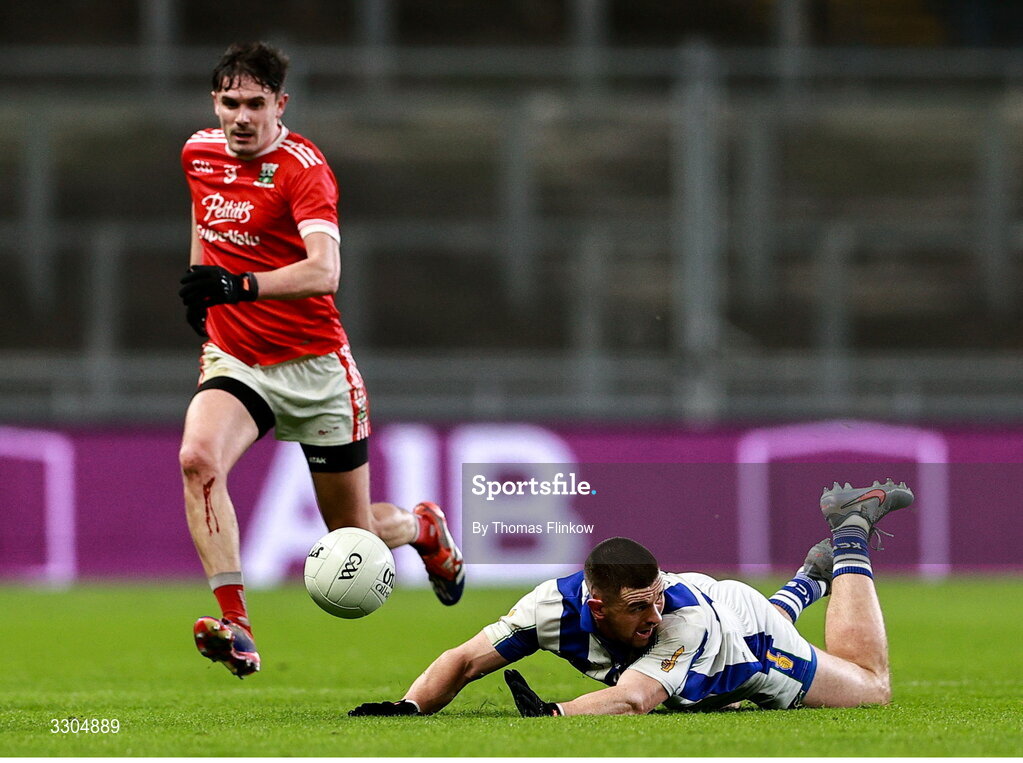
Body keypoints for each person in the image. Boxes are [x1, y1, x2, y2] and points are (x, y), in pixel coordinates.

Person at [177, 41, 464, 679]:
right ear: (215, 103)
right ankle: (239, 626)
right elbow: (206, 216)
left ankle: (422, 528)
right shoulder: (199, 151)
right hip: (236, 354)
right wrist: (203, 283)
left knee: (351, 536)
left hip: (315, 368)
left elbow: (324, 271)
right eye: (231, 103)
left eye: (256, 104)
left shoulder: (305, 169)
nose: (242, 117)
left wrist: (239, 285)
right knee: (198, 461)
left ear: (281, 104)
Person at [348, 479, 912, 715]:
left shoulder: (677, 619)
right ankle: (807, 580)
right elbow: (465, 660)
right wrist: (409, 707)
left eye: (655, 598)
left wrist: (555, 714)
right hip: (720, 615)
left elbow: (637, 698)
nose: (653, 614)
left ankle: (849, 535)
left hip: (748, 642)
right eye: (638, 606)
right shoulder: (550, 607)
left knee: (872, 685)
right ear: (597, 606)